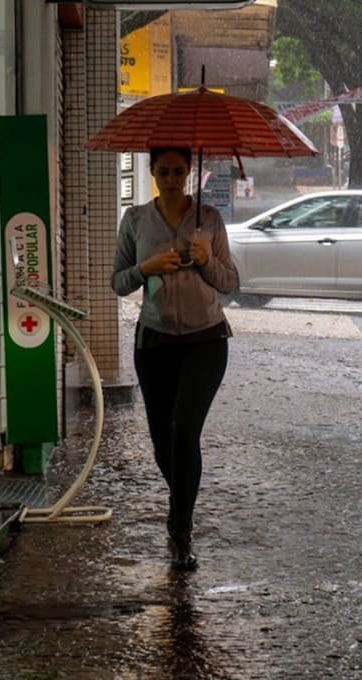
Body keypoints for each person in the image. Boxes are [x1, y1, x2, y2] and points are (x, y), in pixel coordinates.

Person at [111, 147, 238, 571]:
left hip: (206, 340)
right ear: (152, 172)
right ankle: (183, 494)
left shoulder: (209, 219)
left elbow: (231, 283)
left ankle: (180, 527)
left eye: (178, 170)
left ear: (189, 172)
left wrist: (205, 262)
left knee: (185, 431)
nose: (171, 178)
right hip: (155, 341)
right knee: (163, 439)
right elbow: (118, 282)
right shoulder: (134, 220)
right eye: (163, 170)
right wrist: (145, 267)